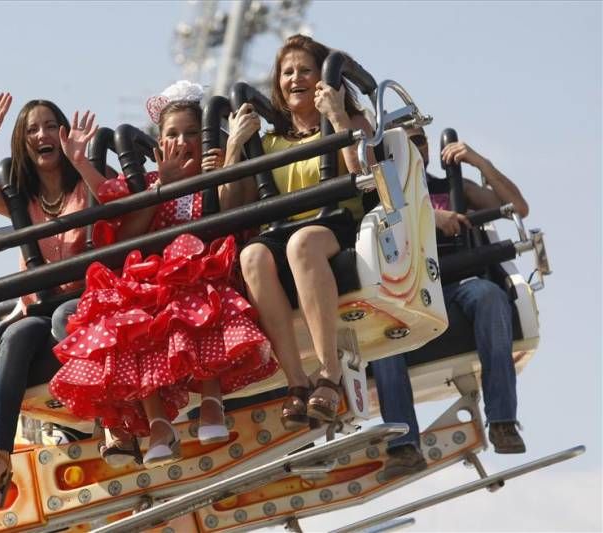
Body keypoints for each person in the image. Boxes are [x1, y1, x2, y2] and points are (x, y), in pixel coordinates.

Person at [49, 81, 278, 468]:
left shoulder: (220, 167)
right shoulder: (155, 181)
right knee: (126, 311)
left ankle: (211, 401)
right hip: (154, 277)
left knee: (193, 294)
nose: (182, 141)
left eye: (192, 133)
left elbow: (230, 214)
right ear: (159, 145)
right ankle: (158, 422)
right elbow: (116, 210)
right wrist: (85, 165)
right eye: (172, 134)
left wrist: (232, 154)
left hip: (207, 265)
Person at [223, 35, 375, 430]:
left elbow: (367, 176)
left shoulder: (352, 122)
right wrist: (234, 147)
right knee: (252, 255)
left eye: (305, 70)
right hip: (281, 229)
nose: (295, 79)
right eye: (287, 72)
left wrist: (339, 119)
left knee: (301, 243)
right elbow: (228, 205)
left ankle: (329, 374)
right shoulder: (269, 141)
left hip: (337, 222)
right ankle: (296, 383)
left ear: (323, 77)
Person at [0, 94, 91, 505]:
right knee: (17, 334)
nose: (42, 135)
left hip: (85, 312)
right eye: (32, 129)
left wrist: (84, 162)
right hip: (43, 323)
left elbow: (118, 203)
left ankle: (114, 419)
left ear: (63, 133)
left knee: (68, 313)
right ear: (23, 143)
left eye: (50, 126)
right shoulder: (22, 202)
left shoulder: (86, 183)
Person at [372, 125, 530, 481]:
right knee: (381, 337)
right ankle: (403, 445)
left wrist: (480, 162)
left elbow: (517, 207)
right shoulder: (381, 196)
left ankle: (503, 422)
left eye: (420, 141)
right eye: (407, 143)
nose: (416, 148)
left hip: (458, 287)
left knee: (489, 295)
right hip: (406, 297)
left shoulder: (450, 189)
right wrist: (427, 217)